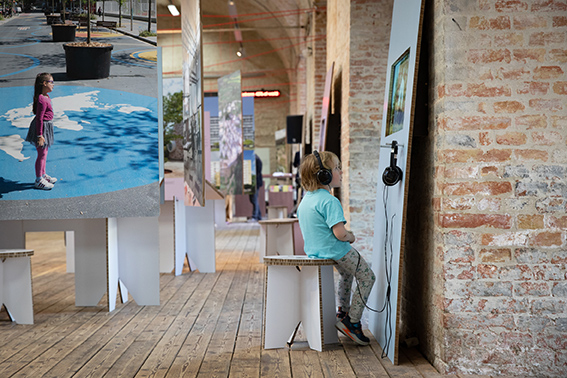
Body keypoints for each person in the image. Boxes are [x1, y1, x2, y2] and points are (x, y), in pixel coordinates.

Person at [297, 150, 375, 346]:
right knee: (367, 277)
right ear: (324, 175)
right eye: (337, 168)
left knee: (347, 275)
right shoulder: (329, 201)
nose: (341, 172)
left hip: (317, 252)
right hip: (337, 251)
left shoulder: (306, 200)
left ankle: (343, 311)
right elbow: (340, 234)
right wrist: (351, 236)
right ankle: (352, 322)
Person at [25, 73, 57, 190]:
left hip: (46, 127)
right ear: (44, 83)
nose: (53, 84)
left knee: (45, 153)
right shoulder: (42, 99)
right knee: (41, 154)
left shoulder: (46, 96)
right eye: (51, 82)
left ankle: (43, 175)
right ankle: (38, 180)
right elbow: (39, 118)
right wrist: (40, 135)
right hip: (42, 128)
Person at [249, 153, 263, 220]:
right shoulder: (255, 158)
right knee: (253, 199)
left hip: (255, 183)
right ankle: (258, 216)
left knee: (254, 199)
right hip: (252, 183)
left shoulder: (256, 159)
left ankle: (255, 216)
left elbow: (258, 171)